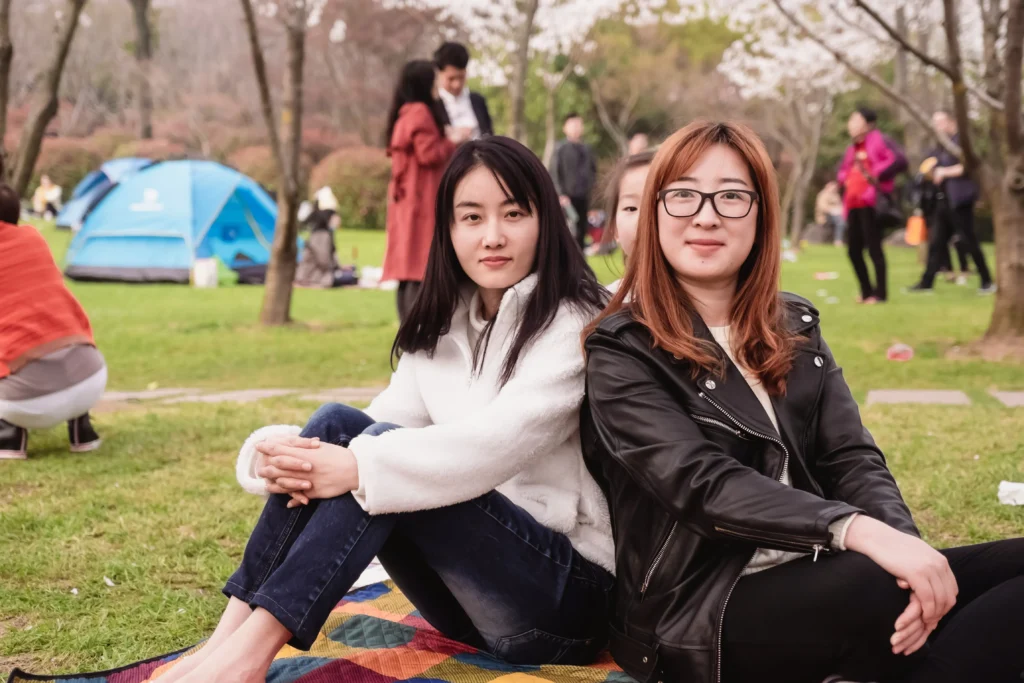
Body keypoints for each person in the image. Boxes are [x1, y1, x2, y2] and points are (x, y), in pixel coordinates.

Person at [155, 137, 615, 683]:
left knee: (374, 457)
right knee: (338, 426)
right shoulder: (443, 328)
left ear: (545, 221)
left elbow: (494, 444)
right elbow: (370, 424)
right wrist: (277, 454)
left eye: (513, 213)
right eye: (472, 217)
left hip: (563, 602)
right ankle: (225, 643)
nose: (492, 236)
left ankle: (248, 659)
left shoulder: (573, 323)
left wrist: (357, 466)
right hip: (469, 609)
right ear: (448, 229)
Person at [580, 120, 1024, 683]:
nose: (707, 214)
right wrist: (861, 533)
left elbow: (851, 457)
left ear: (762, 215)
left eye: (733, 196)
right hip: (698, 607)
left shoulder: (794, 326)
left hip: (823, 568)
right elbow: (702, 483)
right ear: (658, 211)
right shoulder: (622, 349)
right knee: (876, 585)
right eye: (684, 194)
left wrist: (905, 549)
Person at [0, 183, 105, 459]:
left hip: (26, 402)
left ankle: (8, 434)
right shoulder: (33, 239)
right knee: (50, 328)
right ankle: (82, 427)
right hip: (92, 378)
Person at [382, 59, 469, 322]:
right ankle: (418, 326)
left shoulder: (405, 112)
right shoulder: (420, 112)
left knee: (408, 268)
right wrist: (453, 140)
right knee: (420, 264)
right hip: (421, 200)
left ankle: (408, 325)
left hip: (407, 201)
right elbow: (428, 154)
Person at [910, 110, 995, 295]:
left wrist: (944, 172)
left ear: (951, 122)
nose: (937, 127)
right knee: (937, 242)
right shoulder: (941, 147)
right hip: (944, 199)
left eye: (940, 122)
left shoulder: (961, 143)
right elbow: (934, 167)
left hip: (960, 199)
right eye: (935, 123)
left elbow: (968, 166)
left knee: (968, 240)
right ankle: (926, 282)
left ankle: (987, 280)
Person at [837, 107, 907, 303]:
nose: (851, 124)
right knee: (853, 250)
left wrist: (876, 173)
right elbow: (843, 170)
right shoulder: (852, 148)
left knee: (874, 248)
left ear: (867, 123)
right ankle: (867, 291)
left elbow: (900, 160)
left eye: (855, 120)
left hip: (872, 202)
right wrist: (843, 180)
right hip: (852, 203)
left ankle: (881, 294)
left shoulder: (880, 140)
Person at [601, 150, 655, 293]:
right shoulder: (602, 307)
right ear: (614, 228)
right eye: (631, 208)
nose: (643, 219)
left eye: (656, 205)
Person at [550, 112, 598, 251]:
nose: (576, 128)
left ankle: (582, 265)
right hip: (566, 199)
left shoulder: (587, 149)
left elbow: (593, 171)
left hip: (584, 196)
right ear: (565, 128)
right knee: (568, 231)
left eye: (578, 125)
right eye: (572, 125)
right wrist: (560, 194)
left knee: (582, 231)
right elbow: (554, 173)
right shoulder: (560, 148)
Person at [434, 41, 494, 139]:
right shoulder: (433, 106)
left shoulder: (478, 101)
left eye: (461, 77)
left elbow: (489, 133)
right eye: (451, 78)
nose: (457, 85)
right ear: (439, 73)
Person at [294, 212, 345, 289]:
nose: (338, 220)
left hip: (317, 274)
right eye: (335, 217)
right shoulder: (321, 236)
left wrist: (339, 266)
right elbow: (323, 260)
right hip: (313, 276)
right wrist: (336, 267)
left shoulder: (324, 234)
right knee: (349, 277)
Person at [814, 180, 846, 246]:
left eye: (835, 188)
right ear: (828, 187)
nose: (835, 189)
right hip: (825, 216)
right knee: (840, 222)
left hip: (837, 215)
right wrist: (833, 210)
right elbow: (822, 207)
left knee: (843, 220)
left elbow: (840, 205)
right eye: (833, 187)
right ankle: (838, 240)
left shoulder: (836, 195)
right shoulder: (823, 195)